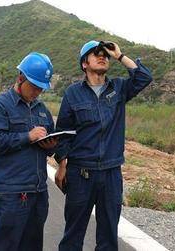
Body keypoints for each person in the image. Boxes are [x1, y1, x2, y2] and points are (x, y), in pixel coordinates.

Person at [54, 40, 153, 250]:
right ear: (84, 64)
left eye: (105, 55)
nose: (102, 56)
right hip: (80, 173)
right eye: (96, 53)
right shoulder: (73, 93)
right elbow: (63, 133)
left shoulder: (118, 88)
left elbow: (144, 77)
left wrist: (119, 55)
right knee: (73, 234)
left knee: (108, 236)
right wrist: (62, 165)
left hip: (110, 173)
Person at [0, 52, 58, 251]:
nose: (37, 92)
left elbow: (50, 142)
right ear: (20, 78)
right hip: (12, 193)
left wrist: (51, 147)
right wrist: (28, 136)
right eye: (34, 87)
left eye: (41, 88)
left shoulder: (42, 110)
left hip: (39, 191)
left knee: (32, 246)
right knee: (5, 246)